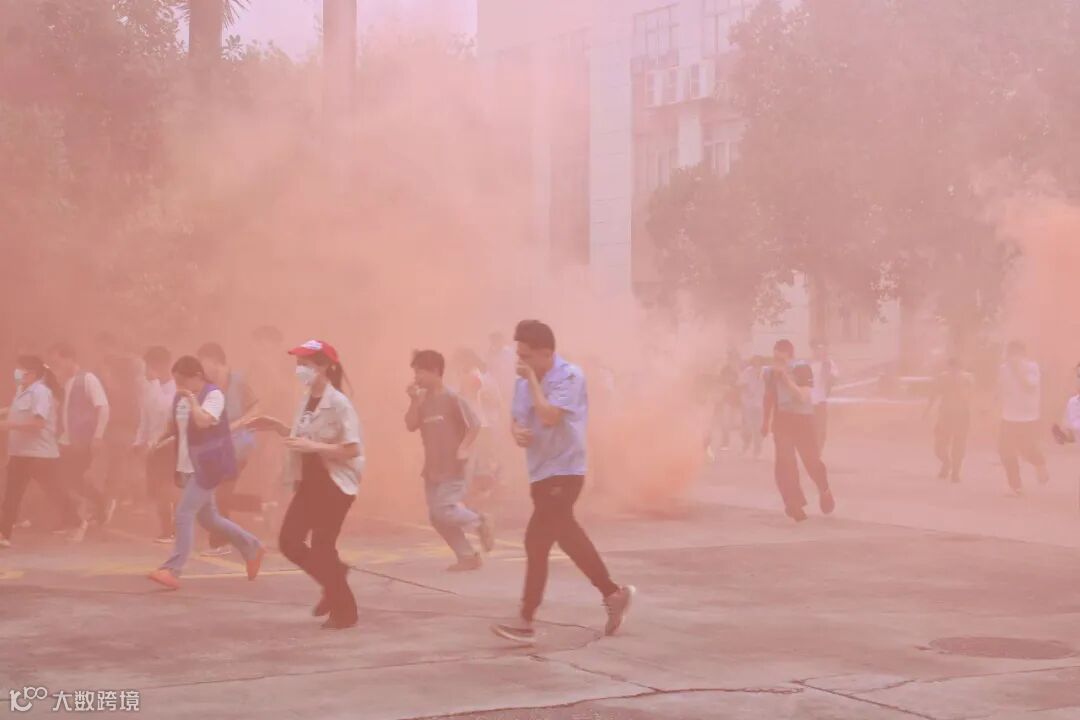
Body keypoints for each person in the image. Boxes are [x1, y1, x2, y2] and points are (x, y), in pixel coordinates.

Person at [491, 320, 635, 645]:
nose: (520, 362)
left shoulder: (569, 376)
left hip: (566, 470)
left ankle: (526, 620)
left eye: (526, 356)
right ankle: (613, 594)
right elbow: (517, 418)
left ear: (546, 353)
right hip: (540, 470)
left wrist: (531, 380)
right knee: (566, 535)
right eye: (519, 355)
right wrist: (516, 431)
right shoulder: (524, 382)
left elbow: (549, 416)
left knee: (537, 541)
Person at [245, 340, 363, 630]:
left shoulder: (339, 403)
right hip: (310, 483)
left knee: (322, 548)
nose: (300, 370)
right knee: (289, 542)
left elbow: (352, 448)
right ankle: (334, 579)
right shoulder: (306, 399)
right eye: (298, 364)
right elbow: (302, 438)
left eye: (306, 364)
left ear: (324, 367)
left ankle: (345, 610)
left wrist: (314, 447)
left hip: (335, 485)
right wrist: (278, 426)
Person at [147, 356, 264, 590]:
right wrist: (157, 441)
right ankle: (252, 546)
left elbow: (203, 422)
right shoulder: (181, 398)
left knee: (183, 514)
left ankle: (173, 569)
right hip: (187, 464)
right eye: (177, 382)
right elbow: (175, 426)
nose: (179, 386)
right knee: (209, 518)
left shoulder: (213, 395)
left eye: (183, 381)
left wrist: (191, 399)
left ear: (197, 376)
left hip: (208, 466)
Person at [405, 350, 495, 571]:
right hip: (432, 468)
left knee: (445, 510)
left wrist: (463, 448)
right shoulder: (423, 400)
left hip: (454, 466)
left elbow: (474, 425)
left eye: (420, 372)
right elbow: (411, 424)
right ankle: (467, 556)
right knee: (437, 518)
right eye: (415, 373)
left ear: (436, 371)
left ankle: (479, 521)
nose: (416, 377)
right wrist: (413, 401)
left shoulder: (453, 398)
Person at [0, 356, 85, 547]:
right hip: (20, 452)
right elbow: (16, 410)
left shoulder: (41, 392)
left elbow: (38, 423)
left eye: (20, 369)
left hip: (39, 454)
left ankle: (77, 521)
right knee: (12, 494)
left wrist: (7, 425)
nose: (17, 373)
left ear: (32, 373)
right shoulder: (23, 391)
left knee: (54, 491)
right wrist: (3, 413)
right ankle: (4, 534)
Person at [196, 342, 260, 556]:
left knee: (221, 494)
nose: (201, 368)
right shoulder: (206, 386)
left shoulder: (238, 381)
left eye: (203, 362)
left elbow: (256, 409)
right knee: (215, 495)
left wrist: (237, 424)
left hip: (239, 446)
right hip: (215, 447)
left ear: (215, 361)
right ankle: (257, 512)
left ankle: (221, 543)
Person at [762, 339, 834, 522]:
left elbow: (803, 396)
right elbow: (769, 396)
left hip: (803, 420)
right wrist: (765, 421)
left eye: (781, 359)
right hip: (782, 420)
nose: (778, 362)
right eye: (775, 358)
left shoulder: (801, 368)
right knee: (784, 463)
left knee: (811, 461)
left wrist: (786, 379)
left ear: (790, 355)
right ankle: (793, 503)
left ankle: (824, 489)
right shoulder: (770, 373)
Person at [46, 342, 110, 533]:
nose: (56, 366)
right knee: (64, 478)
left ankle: (79, 514)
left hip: (83, 440)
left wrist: (98, 436)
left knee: (68, 478)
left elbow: (103, 407)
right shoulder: (66, 382)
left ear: (69, 359)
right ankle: (95, 504)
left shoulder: (88, 379)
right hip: (67, 440)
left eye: (58, 361)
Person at [133, 346, 178, 543]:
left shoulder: (176, 388)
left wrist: (154, 385)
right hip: (153, 446)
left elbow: (165, 410)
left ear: (161, 365)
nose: (146, 371)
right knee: (158, 490)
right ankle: (168, 528)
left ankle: (171, 530)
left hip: (171, 445)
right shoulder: (151, 388)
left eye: (149, 366)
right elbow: (145, 417)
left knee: (166, 488)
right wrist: (138, 441)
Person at [998, 340, 1049, 495]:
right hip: (1009, 416)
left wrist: (1018, 370)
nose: (1013, 358)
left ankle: (1039, 463)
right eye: (1011, 354)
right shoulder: (1003, 369)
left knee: (1026, 448)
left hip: (1029, 417)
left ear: (1023, 354)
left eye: (1016, 354)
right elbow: (1001, 390)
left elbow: (1029, 386)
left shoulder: (1032, 367)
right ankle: (1015, 485)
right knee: (1005, 450)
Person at [925, 358, 975, 483]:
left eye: (957, 368)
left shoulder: (968, 378)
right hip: (945, 415)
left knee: (959, 445)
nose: (954, 371)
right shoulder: (942, 378)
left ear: (961, 368)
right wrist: (927, 410)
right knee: (939, 446)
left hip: (962, 415)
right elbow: (933, 394)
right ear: (948, 367)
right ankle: (947, 463)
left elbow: (973, 396)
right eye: (952, 368)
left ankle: (956, 472)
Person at [810, 339, 838, 454]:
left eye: (822, 349)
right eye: (817, 349)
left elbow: (834, 378)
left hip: (821, 401)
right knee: (810, 428)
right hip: (808, 401)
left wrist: (829, 379)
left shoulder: (828, 364)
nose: (819, 352)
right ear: (813, 350)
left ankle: (817, 451)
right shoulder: (809, 364)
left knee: (821, 429)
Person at [738, 356, 766, 458]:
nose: (757, 361)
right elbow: (741, 384)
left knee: (758, 429)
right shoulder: (748, 371)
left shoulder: (766, 371)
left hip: (761, 404)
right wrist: (747, 390)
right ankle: (746, 444)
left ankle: (757, 451)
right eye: (755, 359)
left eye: (759, 359)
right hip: (748, 404)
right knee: (747, 428)